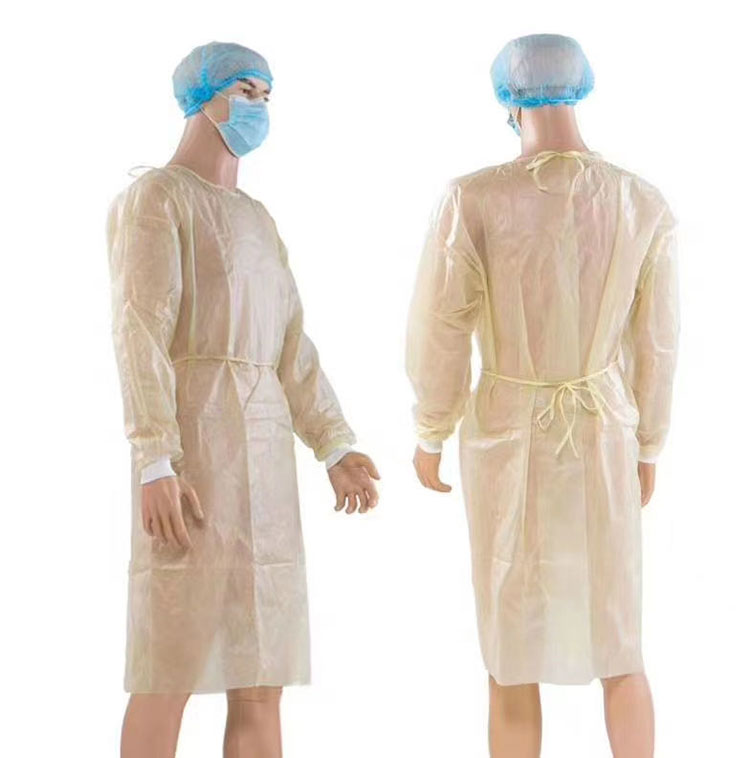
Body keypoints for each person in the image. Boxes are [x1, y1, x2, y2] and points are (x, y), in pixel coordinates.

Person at [406, 33, 679, 758]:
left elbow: (440, 326)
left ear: (508, 97)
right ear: (579, 87)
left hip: (507, 432)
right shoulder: (640, 203)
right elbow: (657, 344)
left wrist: (432, 428)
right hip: (604, 429)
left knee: (511, 640)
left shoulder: (474, 200)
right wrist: (648, 442)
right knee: (617, 634)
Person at [106, 41, 380, 758]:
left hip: (266, 464)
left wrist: (334, 444)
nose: (260, 107)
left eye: (267, 95)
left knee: (261, 676)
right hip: (191, 459)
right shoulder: (157, 199)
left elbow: (290, 344)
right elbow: (140, 332)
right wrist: (154, 460)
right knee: (166, 668)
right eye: (247, 91)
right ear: (204, 98)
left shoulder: (257, 218)